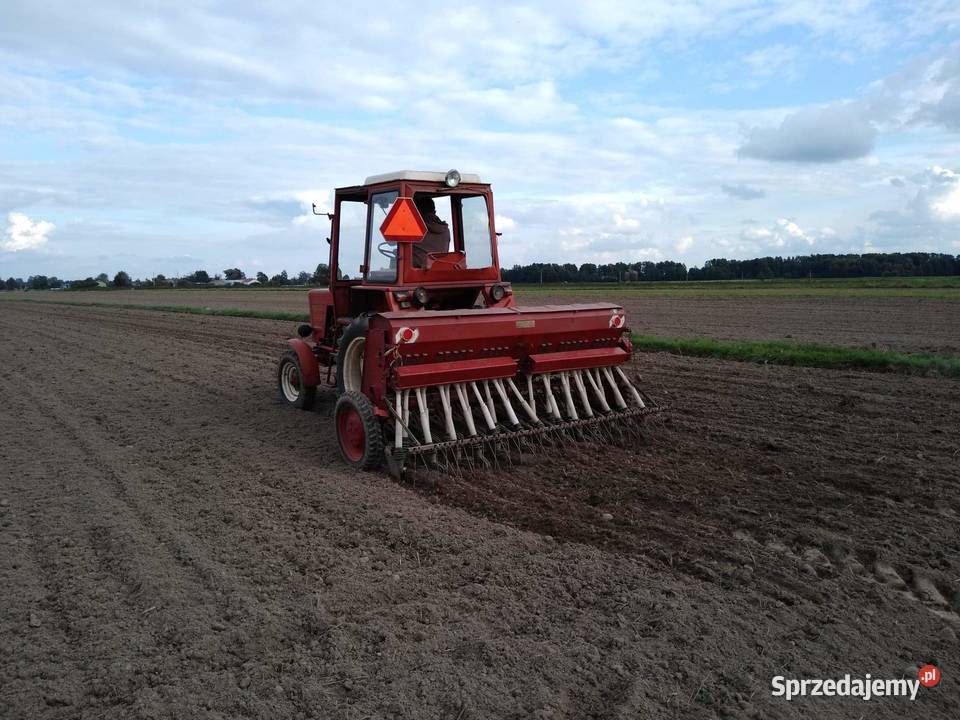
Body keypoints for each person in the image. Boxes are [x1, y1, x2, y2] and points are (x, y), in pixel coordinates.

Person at [412, 196, 450, 268]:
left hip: (418, 271)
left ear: (416, 211)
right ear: (434, 211)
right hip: (438, 270)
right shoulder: (445, 230)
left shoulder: (414, 228)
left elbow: (391, 242)